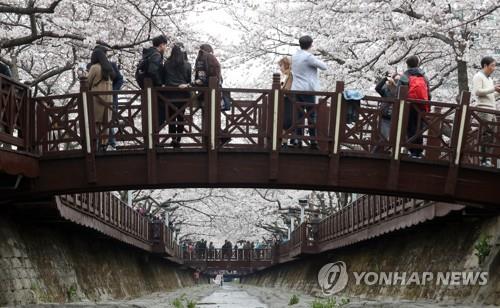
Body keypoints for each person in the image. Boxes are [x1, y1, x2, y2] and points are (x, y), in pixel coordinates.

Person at [291, 35, 327, 150]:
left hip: (296, 89)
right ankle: (313, 141)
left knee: (299, 115)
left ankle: (298, 140)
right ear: (311, 44)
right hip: (308, 90)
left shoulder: (294, 56)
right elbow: (324, 67)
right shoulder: (308, 57)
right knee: (311, 115)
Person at [398, 55, 431, 159]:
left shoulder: (405, 76)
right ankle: (419, 151)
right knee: (419, 127)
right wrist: (428, 103)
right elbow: (428, 92)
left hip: (409, 105)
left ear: (407, 65)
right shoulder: (424, 77)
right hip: (421, 105)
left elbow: (399, 92)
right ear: (418, 64)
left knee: (410, 127)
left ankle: (412, 151)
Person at [472, 56, 500, 167]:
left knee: (492, 135)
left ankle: (487, 159)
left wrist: (498, 92)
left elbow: (490, 94)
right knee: (486, 135)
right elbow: (477, 92)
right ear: (485, 65)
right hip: (484, 109)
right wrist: (494, 88)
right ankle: (483, 160)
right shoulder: (478, 76)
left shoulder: (489, 79)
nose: (494, 68)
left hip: (491, 109)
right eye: (492, 65)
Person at [162, 43, 192, 148]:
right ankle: (178, 139)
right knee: (181, 117)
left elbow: (163, 78)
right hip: (183, 96)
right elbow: (189, 80)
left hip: (169, 95)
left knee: (171, 118)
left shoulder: (167, 63)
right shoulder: (187, 65)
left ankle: (173, 138)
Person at [87, 46, 116, 151]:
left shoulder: (94, 68)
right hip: (108, 99)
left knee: (95, 122)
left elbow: (87, 83)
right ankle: (104, 144)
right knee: (106, 123)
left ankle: (95, 145)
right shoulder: (109, 69)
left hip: (97, 99)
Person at [374, 72, 401, 152]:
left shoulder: (401, 91)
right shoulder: (386, 89)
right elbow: (377, 88)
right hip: (385, 117)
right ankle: (375, 153)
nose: (396, 81)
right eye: (395, 79)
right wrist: (385, 78)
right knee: (384, 137)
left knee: (394, 139)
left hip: (395, 118)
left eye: (399, 80)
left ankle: (386, 152)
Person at [107, 61, 124, 150]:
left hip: (112, 97)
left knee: (111, 118)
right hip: (99, 97)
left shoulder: (112, 65)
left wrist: (113, 91)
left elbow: (120, 79)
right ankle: (107, 143)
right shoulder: (92, 66)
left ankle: (112, 143)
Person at [278, 57, 294, 148]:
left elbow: (287, 89)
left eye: (281, 66)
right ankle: (285, 142)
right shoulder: (286, 76)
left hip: (289, 101)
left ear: (286, 65)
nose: (280, 68)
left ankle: (285, 143)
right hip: (286, 101)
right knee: (284, 122)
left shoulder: (290, 75)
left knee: (286, 122)